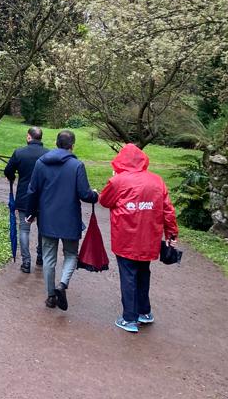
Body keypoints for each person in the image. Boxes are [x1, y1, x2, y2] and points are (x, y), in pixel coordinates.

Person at [98, 144, 178, 333]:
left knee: (128, 275)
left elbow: (104, 201)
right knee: (143, 273)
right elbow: (168, 210)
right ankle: (144, 312)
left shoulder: (118, 181)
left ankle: (129, 318)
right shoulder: (157, 181)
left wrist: (115, 178)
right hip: (149, 238)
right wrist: (171, 234)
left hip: (125, 237)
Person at [26, 129, 98, 311]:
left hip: (47, 217)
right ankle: (62, 284)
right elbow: (85, 194)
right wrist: (95, 195)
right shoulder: (77, 165)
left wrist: (30, 213)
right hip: (70, 218)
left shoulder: (41, 163)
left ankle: (51, 296)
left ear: (56, 143)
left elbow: (33, 190)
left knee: (48, 257)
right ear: (72, 145)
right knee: (71, 254)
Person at [4, 126, 48, 273]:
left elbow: (8, 171)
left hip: (25, 196)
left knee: (24, 229)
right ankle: (40, 257)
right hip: (43, 197)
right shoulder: (48, 154)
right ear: (40, 137)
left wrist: (12, 177)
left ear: (29, 137)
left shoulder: (19, 152)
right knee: (43, 229)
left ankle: (26, 262)